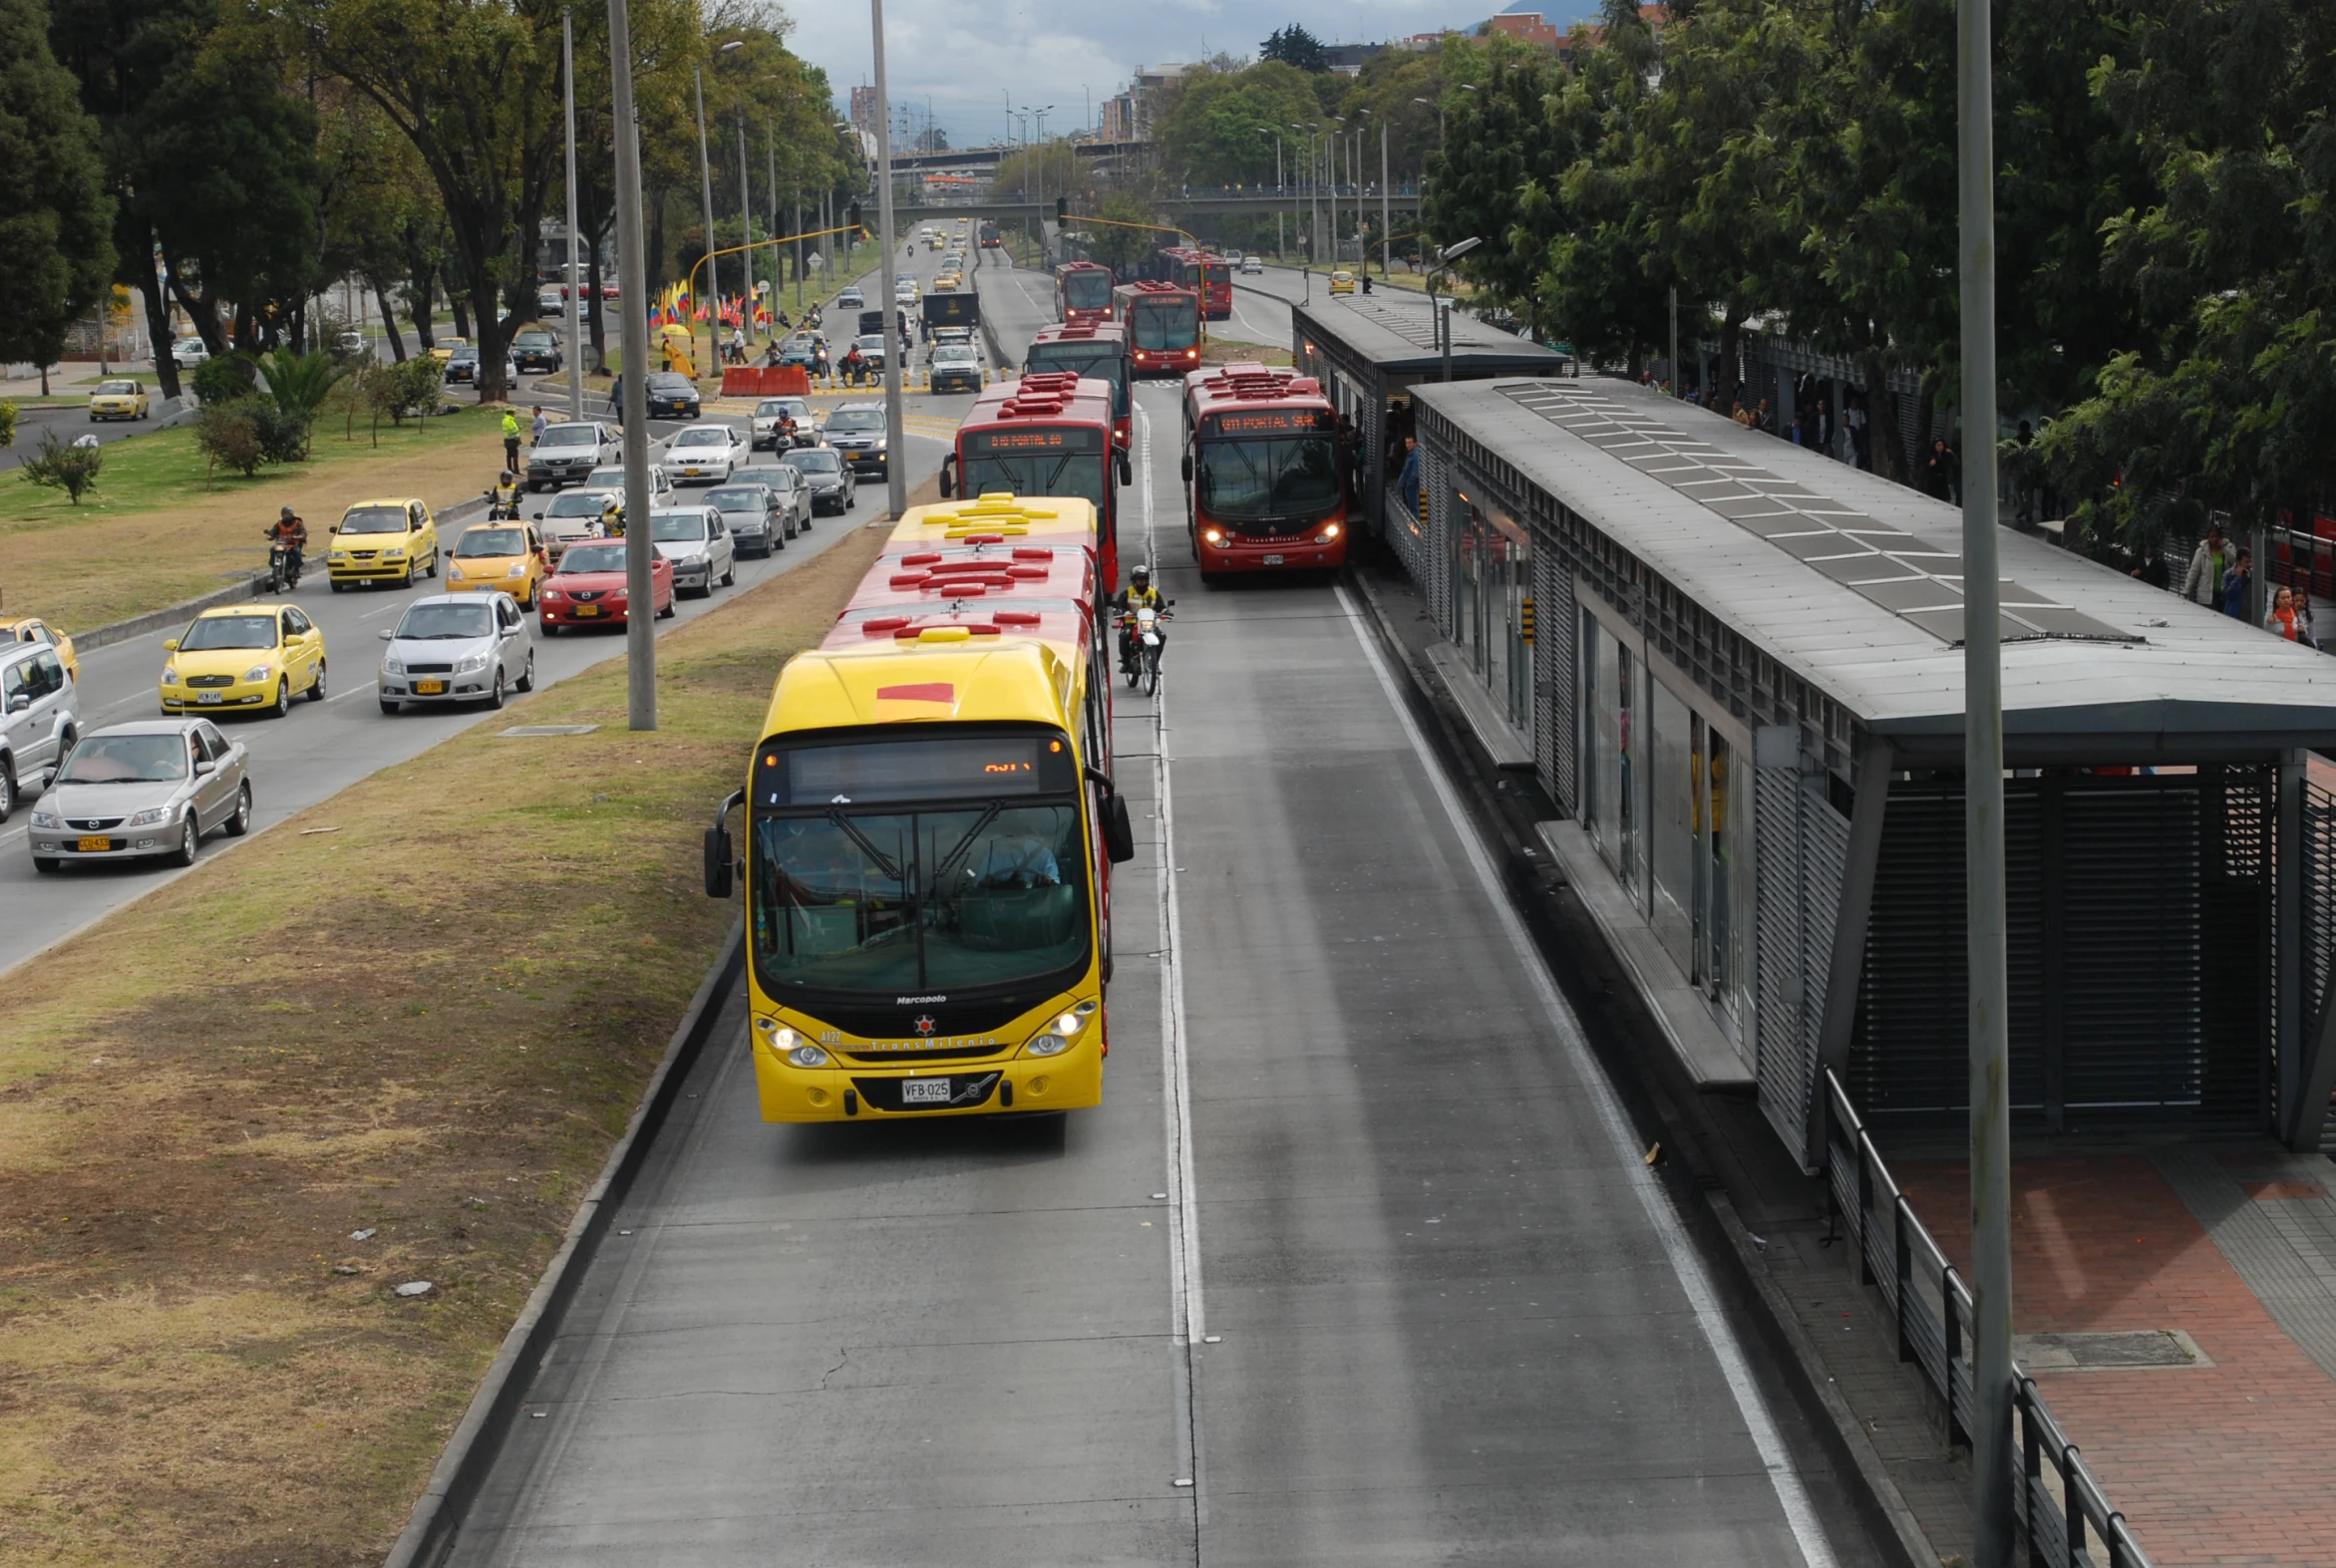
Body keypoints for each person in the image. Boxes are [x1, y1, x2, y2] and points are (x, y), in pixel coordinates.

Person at [1109, 564, 1167, 675]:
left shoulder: (1153, 593)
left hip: (1148, 624)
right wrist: (1120, 611)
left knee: (1161, 636)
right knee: (1125, 635)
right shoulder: (1127, 593)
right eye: (1139, 580)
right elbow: (1119, 606)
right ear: (1134, 581)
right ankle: (1125, 662)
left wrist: (1165, 612)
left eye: (1144, 579)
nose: (1141, 582)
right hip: (1131, 623)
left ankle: (1155, 664)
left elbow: (1161, 606)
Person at [2179, 523, 2229, 607]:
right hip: (2207, 596)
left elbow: (2234, 560)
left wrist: (2224, 548)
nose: (2214, 539)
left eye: (2216, 536)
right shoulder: (2202, 551)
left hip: (2223, 593)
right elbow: (2194, 571)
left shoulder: (2228, 548)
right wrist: (2186, 590)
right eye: (2212, 537)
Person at [263, 505, 308, 579]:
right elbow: (274, 531)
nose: (286, 516)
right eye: (284, 514)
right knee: (272, 549)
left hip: (293, 544)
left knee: (297, 552)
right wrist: (270, 536)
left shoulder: (297, 522)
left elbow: (303, 532)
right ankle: (275, 568)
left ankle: (296, 569)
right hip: (282, 544)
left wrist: (300, 536)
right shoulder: (279, 523)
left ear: (291, 514)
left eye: (287, 514)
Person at [2221, 547, 2253, 619]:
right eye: (2246, 562)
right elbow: (2228, 595)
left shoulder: (2255, 576)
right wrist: (2237, 578)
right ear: (2239, 562)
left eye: (2250, 561)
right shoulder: (2228, 574)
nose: (2249, 565)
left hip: (2249, 617)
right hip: (2233, 615)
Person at [501, 407, 522, 471]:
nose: (514, 414)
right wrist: (519, 428)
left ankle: (509, 468)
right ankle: (516, 469)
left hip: (506, 440)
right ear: (511, 413)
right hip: (512, 440)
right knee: (515, 455)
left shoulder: (504, 420)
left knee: (509, 455)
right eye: (513, 413)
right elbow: (515, 430)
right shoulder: (510, 420)